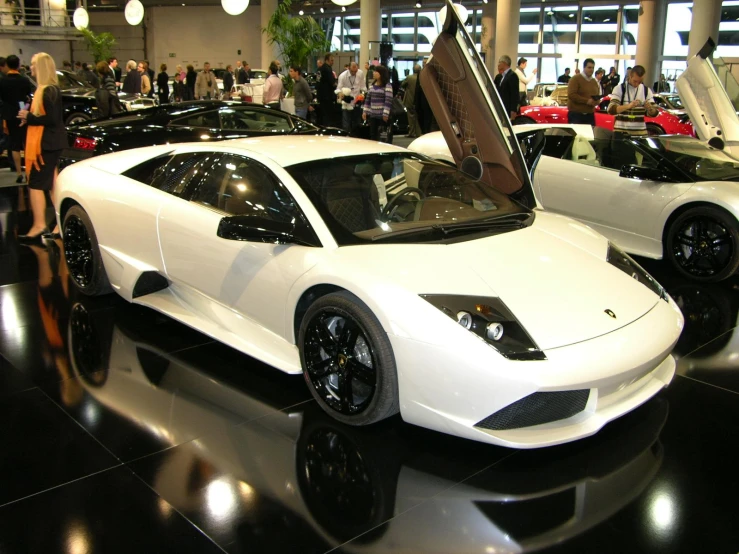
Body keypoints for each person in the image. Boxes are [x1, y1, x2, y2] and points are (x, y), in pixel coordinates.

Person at [17, 53, 68, 241]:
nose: (31, 68)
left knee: (36, 184)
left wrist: (30, 118)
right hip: (50, 143)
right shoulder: (47, 90)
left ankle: (39, 225)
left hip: (48, 144)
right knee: (52, 185)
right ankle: (58, 225)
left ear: (42, 67)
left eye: (33, 64)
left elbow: (52, 119)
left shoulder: (48, 91)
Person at [0, 54, 34, 183]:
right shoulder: (24, 80)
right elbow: (28, 98)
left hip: (9, 115)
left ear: (7, 65)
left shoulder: (2, 81)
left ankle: (19, 173)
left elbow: (2, 99)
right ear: (19, 65)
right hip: (22, 113)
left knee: (14, 145)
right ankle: (29, 172)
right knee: (26, 143)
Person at [607, 65, 659, 137]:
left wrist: (650, 109)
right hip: (621, 133)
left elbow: (655, 113)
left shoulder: (646, 90)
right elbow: (610, 110)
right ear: (630, 76)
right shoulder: (619, 88)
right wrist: (628, 106)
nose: (637, 84)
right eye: (635, 81)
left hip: (640, 134)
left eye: (640, 82)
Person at [362, 65, 393, 143]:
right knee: (373, 136)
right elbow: (368, 99)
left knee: (382, 135)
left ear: (381, 74)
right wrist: (365, 111)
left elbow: (388, 100)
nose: (374, 73)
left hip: (382, 117)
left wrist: (385, 114)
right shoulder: (372, 86)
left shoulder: (387, 85)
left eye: (376, 72)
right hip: (373, 116)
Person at [567, 58, 599, 126]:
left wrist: (596, 101)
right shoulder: (575, 79)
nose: (591, 70)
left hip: (590, 115)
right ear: (584, 67)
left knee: (591, 135)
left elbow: (597, 95)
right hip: (576, 115)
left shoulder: (594, 82)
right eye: (589, 67)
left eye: (593, 68)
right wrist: (586, 101)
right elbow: (572, 95)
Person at [335, 62, 366, 133]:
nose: (354, 73)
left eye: (356, 71)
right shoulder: (342, 76)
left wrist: (362, 95)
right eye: (352, 71)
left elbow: (363, 87)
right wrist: (342, 95)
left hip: (357, 102)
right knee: (346, 124)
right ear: (348, 68)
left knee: (357, 123)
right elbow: (338, 89)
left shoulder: (360, 73)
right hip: (346, 103)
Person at [493, 55, 519, 120]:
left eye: (499, 62)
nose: (498, 65)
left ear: (504, 63)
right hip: (498, 107)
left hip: (507, 108)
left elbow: (514, 94)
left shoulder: (512, 76)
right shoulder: (499, 77)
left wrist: (513, 110)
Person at [402, 64, 421, 138]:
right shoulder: (422, 78)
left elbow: (402, 84)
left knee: (410, 117)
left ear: (413, 70)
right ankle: (418, 133)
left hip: (409, 100)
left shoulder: (409, 77)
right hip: (419, 101)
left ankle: (411, 132)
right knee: (418, 117)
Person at [317, 53, 336, 126]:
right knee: (327, 116)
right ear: (327, 60)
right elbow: (332, 82)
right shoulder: (328, 69)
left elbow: (318, 81)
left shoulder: (319, 69)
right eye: (331, 60)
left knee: (322, 114)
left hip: (320, 95)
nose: (333, 62)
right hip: (327, 96)